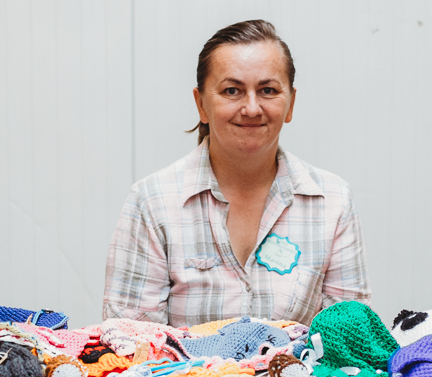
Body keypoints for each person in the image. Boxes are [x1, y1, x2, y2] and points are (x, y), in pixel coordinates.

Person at [102, 19, 370, 327]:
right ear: (201, 104)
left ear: (291, 103)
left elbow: (350, 341)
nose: (252, 108)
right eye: (232, 90)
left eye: (268, 90)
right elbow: (131, 344)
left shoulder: (332, 201)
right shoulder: (152, 202)